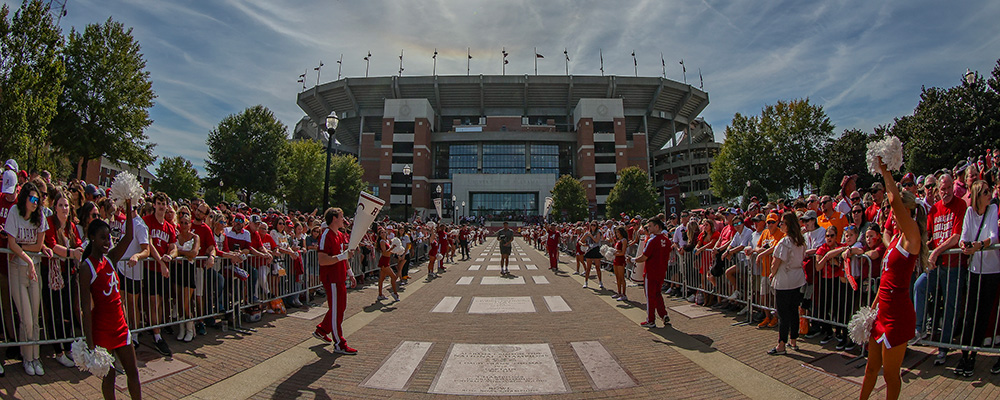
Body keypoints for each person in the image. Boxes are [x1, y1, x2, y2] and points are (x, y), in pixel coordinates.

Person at [860, 157, 927, 400]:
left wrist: (886, 171)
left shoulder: (912, 239)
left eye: (896, 211)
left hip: (898, 314)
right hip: (883, 310)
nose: (892, 214)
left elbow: (893, 200)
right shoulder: (896, 239)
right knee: (870, 370)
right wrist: (873, 309)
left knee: (890, 375)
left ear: (907, 212)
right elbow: (886, 278)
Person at [80, 201, 141, 400]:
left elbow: (130, 236)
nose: (107, 242)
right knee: (109, 378)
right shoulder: (87, 267)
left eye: (109, 238)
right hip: (102, 330)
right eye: (102, 238)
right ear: (91, 238)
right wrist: (90, 344)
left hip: (120, 326)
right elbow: (85, 308)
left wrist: (129, 204)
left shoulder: (111, 258)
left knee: (133, 373)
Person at [912, 173, 965, 366]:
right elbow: (931, 237)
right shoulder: (934, 209)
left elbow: (956, 237)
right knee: (920, 286)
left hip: (954, 266)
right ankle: (919, 328)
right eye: (942, 189)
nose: (946, 192)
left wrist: (936, 252)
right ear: (937, 191)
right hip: (936, 265)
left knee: (950, 307)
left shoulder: (960, 205)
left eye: (949, 187)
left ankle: (943, 349)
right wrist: (927, 251)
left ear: (953, 187)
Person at [4, 182, 52, 375]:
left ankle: (35, 357)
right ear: (25, 198)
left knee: (35, 316)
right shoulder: (14, 213)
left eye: (38, 200)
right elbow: (11, 242)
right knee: (26, 319)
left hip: (34, 270)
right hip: (18, 270)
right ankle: (27, 358)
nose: (35, 203)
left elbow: (38, 245)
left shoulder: (40, 216)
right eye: (32, 199)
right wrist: (26, 257)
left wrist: (22, 250)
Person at [955, 180, 999, 376]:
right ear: (977, 195)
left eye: (990, 191)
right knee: (970, 314)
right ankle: (964, 354)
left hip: (991, 270)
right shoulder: (970, 213)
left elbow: (994, 236)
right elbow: (964, 235)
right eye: (986, 192)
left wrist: (979, 245)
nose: (990, 194)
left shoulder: (993, 209)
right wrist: (966, 244)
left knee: (983, 314)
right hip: (974, 269)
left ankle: (973, 354)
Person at [42, 188, 84, 368]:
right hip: (52, 274)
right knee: (55, 312)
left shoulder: (71, 226)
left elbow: (79, 244)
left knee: (67, 312)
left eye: (66, 205)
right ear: (55, 207)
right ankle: (57, 350)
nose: (64, 208)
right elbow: (51, 245)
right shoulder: (50, 222)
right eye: (61, 205)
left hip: (69, 273)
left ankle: (68, 348)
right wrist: (71, 252)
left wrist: (77, 251)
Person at [313, 207, 358, 355]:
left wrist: (350, 273)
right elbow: (322, 260)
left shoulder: (339, 234)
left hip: (340, 276)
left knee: (339, 308)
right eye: (341, 216)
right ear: (334, 218)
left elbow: (343, 257)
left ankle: (321, 330)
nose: (344, 220)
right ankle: (339, 343)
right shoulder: (326, 234)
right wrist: (342, 257)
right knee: (337, 309)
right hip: (331, 278)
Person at [766, 212, 807, 356]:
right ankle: (793, 340)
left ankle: (781, 344)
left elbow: (775, 262)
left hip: (784, 280)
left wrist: (772, 272)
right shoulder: (800, 241)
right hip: (796, 279)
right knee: (793, 311)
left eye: (782, 223)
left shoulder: (785, 242)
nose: (780, 225)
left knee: (783, 314)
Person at [142, 192, 176, 356]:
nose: (161, 206)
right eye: (159, 203)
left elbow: (173, 246)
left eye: (164, 204)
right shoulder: (147, 221)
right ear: (154, 205)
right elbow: (149, 244)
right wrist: (161, 263)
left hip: (164, 269)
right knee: (153, 301)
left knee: (161, 302)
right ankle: (156, 335)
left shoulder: (169, 227)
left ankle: (157, 331)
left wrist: (171, 255)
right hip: (151, 268)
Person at [632, 217, 671, 328]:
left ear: (657, 226)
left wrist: (633, 260)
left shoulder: (652, 240)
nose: (648, 228)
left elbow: (644, 257)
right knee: (658, 294)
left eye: (650, 226)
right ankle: (663, 315)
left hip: (651, 271)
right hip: (661, 271)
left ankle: (651, 320)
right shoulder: (666, 240)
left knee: (650, 296)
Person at [376, 228, 400, 302]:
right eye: (382, 233)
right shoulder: (382, 241)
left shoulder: (386, 241)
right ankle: (395, 293)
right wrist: (392, 248)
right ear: (380, 235)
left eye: (384, 232)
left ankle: (380, 294)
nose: (383, 234)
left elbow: (389, 252)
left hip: (386, 260)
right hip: (384, 261)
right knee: (394, 276)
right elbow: (385, 252)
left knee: (382, 279)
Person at [578, 222, 604, 289]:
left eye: (594, 225)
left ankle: (600, 282)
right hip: (589, 250)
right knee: (588, 267)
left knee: (597, 267)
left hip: (596, 249)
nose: (593, 226)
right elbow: (580, 241)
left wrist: (591, 236)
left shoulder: (598, 232)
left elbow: (596, 241)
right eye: (591, 225)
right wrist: (583, 244)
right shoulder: (587, 232)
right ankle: (586, 282)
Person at [611, 226, 629, 301]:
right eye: (616, 232)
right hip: (616, 259)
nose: (617, 234)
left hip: (621, 260)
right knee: (617, 276)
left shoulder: (624, 240)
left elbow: (623, 252)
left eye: (618, 232)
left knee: (621, 277)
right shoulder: (618, 240)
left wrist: (614, 254)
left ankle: (624, 294)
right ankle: (619, 292)